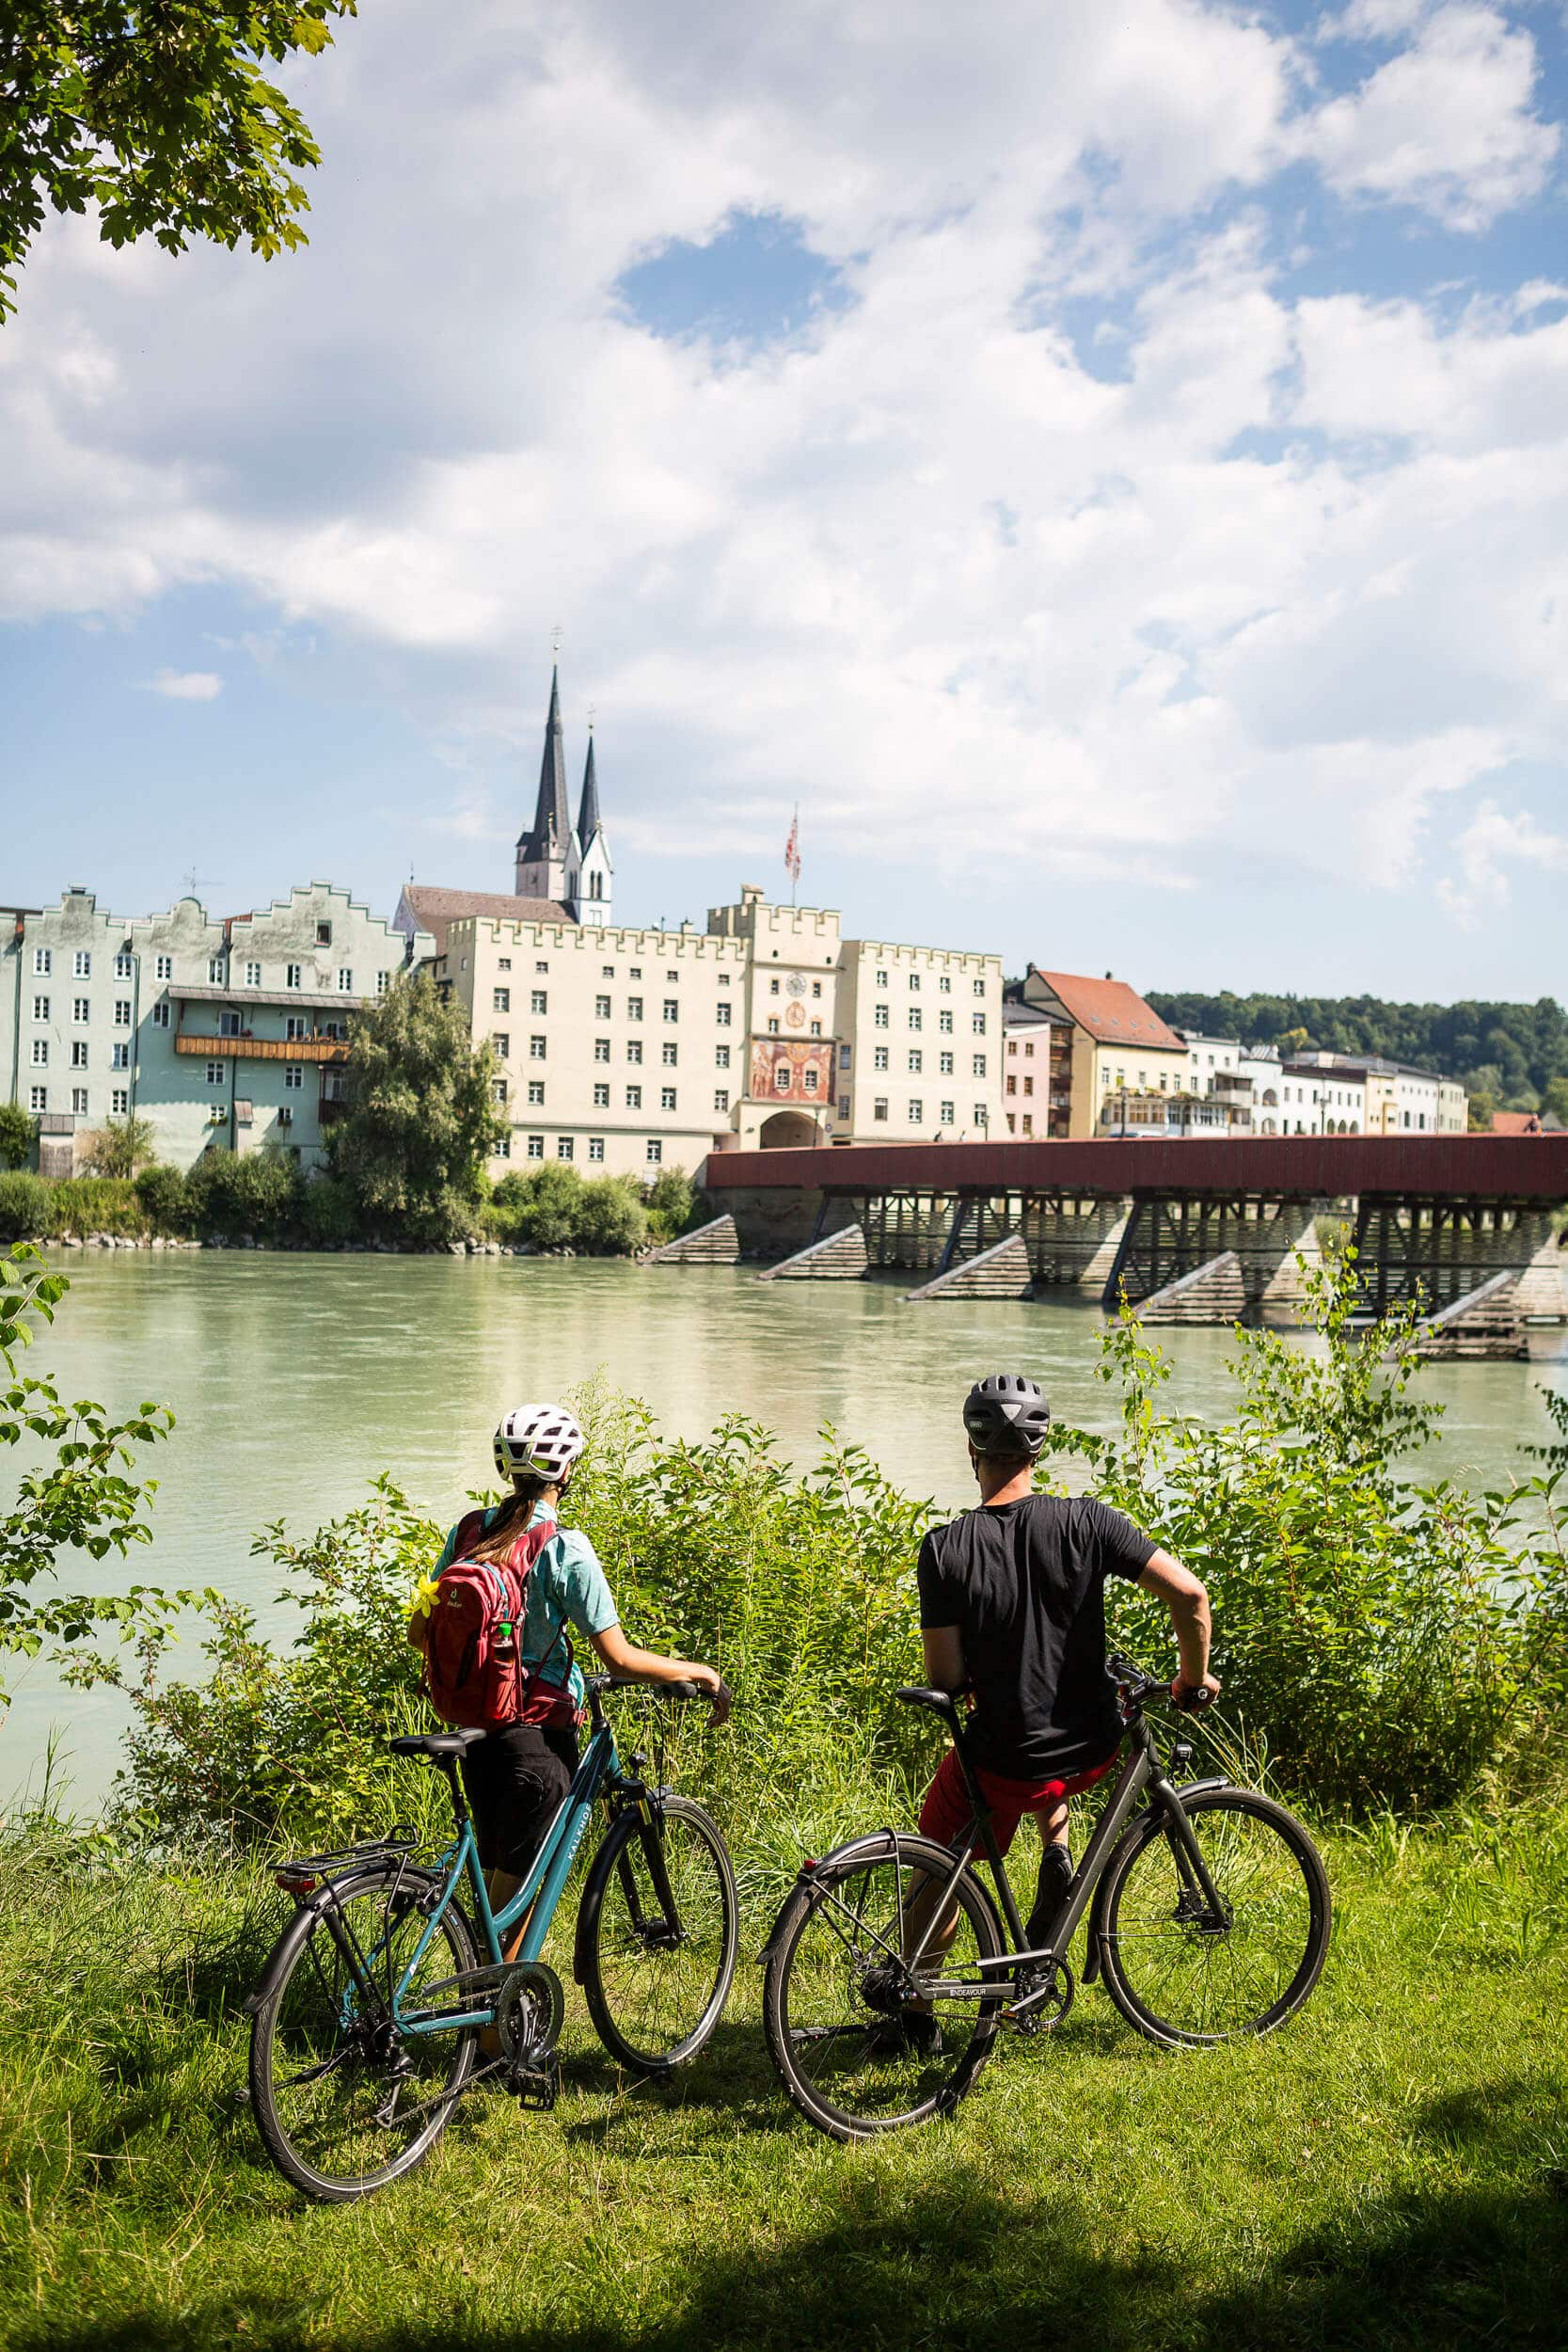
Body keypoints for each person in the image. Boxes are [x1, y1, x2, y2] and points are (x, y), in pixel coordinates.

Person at [893, 1372, 1217, 2053]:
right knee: (1062, 1751)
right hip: (1089, 1752)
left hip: (1006, 1765)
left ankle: (916, 2013)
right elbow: (1190, 1597)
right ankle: (1058, 1853)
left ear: (971, 1452)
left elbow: (945, 1680)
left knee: (938, 1864)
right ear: (1038, 1454)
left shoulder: (944, 1549)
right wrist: (1191, 1678)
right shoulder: (1089, 1522)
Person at [410, 1402, 729, 1962]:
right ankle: (494, 2048)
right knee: (517, 1918)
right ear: (566, 1471)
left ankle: (487, 2032)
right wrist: (697, 1671)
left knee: (491, 1899)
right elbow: (622, 1659)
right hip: (536, 1743)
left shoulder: (468, 1532)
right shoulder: (564, 1547)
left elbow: (420, 1633)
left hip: (476, 1733)